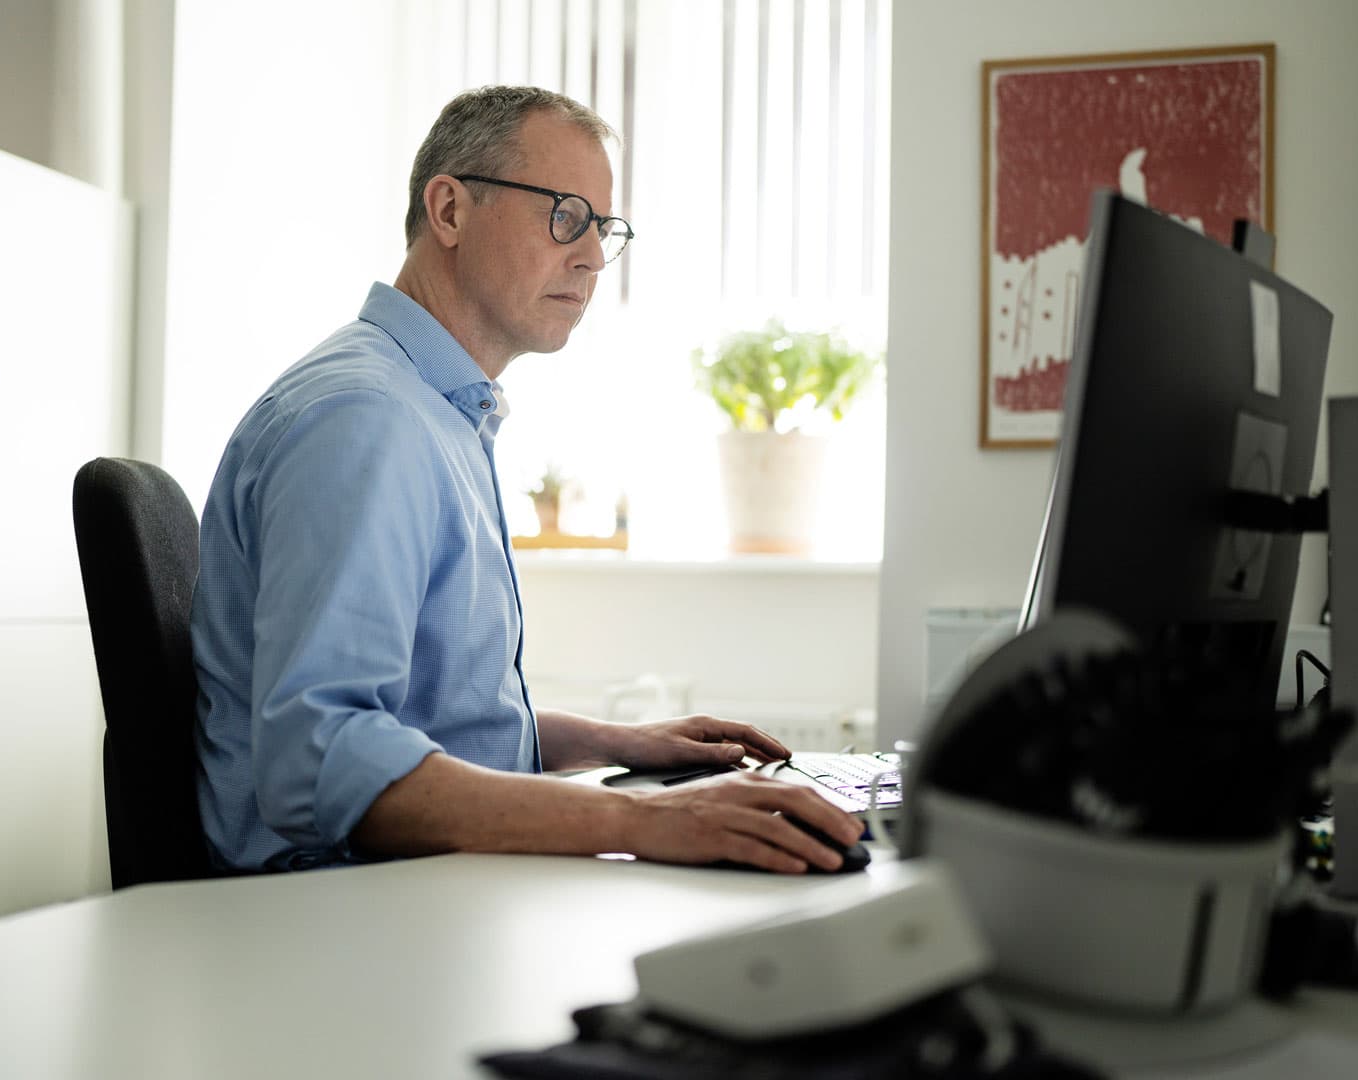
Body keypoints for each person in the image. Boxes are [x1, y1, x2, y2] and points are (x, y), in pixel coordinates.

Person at [192, 85, 860, 875]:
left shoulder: (434, 410)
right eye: (565, 215)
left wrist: (620, 746)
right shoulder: (365, 420)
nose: (588, 256)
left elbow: (435, 721)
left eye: (602, 229)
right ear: (448, 211)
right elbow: (322, 758)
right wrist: (644, 818)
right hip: (341, 918)